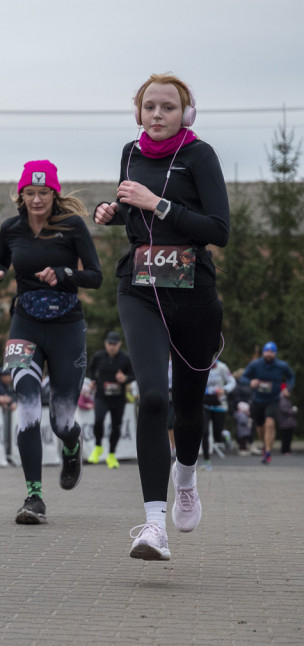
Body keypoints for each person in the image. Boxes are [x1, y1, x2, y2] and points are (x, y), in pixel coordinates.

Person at [94, 73, 229, 561]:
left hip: (194, 291)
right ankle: (153, 526)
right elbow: (138, 218)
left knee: (187, 408)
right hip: (141, 286)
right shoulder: (130, 153)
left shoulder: (201, 156)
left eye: (167, 107)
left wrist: (159, 204)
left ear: (185, 113)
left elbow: (219, 229)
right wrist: (112, 210)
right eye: (149, 107)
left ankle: (186, 478)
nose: (157, 115)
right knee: (152, 396)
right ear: (137, 112)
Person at [0, 159, 103, 525]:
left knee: (61, 419)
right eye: (30, 193)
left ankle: (72, 444)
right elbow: (0, 260)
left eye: (43, 193)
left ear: (55, 194)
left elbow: (96, 276)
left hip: (67, 326)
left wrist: (66, 273)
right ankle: (33, 497)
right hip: (24, 325)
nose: (37, 200)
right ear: (20, 195)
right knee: (27, 409)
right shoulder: (11, 229)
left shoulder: (72, 226)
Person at [86, 331, 135, 469]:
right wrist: (94, 380)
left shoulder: (125, 358)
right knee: (98, 419)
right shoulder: (98, 356)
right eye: (109, 344)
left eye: (114, 344)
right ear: (105, 344)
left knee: (116, 426)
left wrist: (125, 379)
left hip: (118, 398)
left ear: (119, 344)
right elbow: (91, 369)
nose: (112, 347)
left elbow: (134, 375)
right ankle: (98, 446)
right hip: (102, 396)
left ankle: (112, 454)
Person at [243, 342, 295, 464]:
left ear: (275, 353)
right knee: (260, 427)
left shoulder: (281, 365)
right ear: (263, 352)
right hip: (258, 399)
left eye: (272, 352)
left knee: (270, 423)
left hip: (273, 399)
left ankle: (267, 452)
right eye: (267, 351)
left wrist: (289, 388)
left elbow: (291, 376)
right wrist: (251, 382)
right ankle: (265, 444)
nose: (269, 354)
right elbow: (244, 377)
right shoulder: (255, 364)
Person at [200, 357, 236, 469]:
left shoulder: (222, 367)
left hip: (219, 404)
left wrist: (224, 389)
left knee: (217, 436)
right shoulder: (201, 367)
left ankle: (225, 436)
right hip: (205, 404)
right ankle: (207, 461)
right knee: (204, 432)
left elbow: (232, 381)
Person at [276, 387, 298, 456]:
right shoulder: (282, 400)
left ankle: (287, 450)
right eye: (287, 391)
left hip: (287, 422)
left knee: (288, 437)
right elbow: (285, 410)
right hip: (285, 422)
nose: (289, 393)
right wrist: (293, 411)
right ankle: (285, 450)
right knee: (286, 437)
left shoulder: (285, 400)